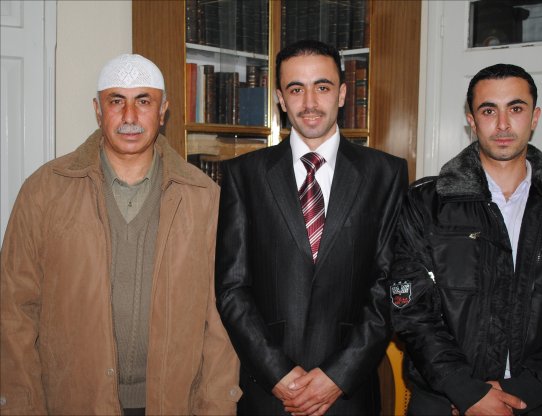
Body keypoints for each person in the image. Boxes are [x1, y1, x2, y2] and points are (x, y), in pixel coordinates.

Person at [0, 54, 241, 415]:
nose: (130, 116)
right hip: (72, 401)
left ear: (163, 111)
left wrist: (216, 406)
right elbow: (14, 310)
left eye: (143, 101)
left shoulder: (204, 197)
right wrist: (22, 406)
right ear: (98, 110)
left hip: (174, 402)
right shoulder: (44, 191)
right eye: (116, 101)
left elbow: (220, 321)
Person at [390, 63, 542, 415]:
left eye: (515, 108)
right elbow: (410, 310)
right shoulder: (426, 203)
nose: (502, 124)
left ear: (534, 117)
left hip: (534, 401)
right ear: (471, 121)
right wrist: (465, 390)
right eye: (489, 111)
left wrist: (525, 390)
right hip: (444, 400)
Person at [215, 39, 408, 415]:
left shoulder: (385, 174)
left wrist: (338, 375)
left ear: (342, 94)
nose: (309, 102)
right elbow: (231, 289)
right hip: (269, 393)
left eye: (322, 87)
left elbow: (389, 285)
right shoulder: (245, 175)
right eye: (295, 89)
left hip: (349, 394)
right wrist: (278, 374)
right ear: (280, 99)